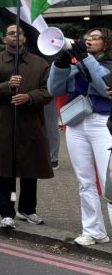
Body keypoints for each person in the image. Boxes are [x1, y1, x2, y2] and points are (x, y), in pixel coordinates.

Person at [0, 24, 53, 229]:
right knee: (5, 169)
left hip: (30, 123)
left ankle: (27, 209)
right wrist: (7, 86)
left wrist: (29, 97)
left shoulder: (39, 63)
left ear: (25, 38)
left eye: (19, 33)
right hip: (4, 123)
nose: (16, 36)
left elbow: (48, 90)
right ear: (4, 39)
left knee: (30, 168)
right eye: (11, 33)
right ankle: (6, 212)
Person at [47, 28, 112, 246]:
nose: (89, 40)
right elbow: (54, 89)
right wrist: (61, 63)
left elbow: (105, 86)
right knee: (85, 182)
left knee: (109, 181)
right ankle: (93, 231)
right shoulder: (76, 64)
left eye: (95, 38)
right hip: (76, 124)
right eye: (87, 38)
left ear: (107, 42)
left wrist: (84, 57)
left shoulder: (107, 63)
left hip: (103, 123)